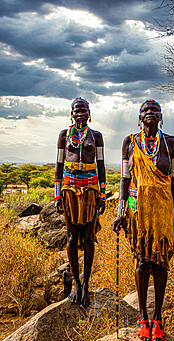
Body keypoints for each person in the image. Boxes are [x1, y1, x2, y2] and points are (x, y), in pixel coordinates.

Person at [112, 100, 174, 341]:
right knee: (142, 261)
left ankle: (158, 318)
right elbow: (124, 180)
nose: (150, 113)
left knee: (161, 263)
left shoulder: (170, 143)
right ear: (139, 116)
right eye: (146, 110)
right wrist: (120, 212)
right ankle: (142, 318)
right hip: (136, 209)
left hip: (163, 210)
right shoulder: (129, 143)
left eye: (154, 110)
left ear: (161, 116)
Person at [55, 98, 106, 308]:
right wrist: (57, 195)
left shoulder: (96, 136)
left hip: (91, 190)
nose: (80, 113)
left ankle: (86, 285)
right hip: (69, 191)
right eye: (77, 110)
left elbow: (101, 166)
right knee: (71, 236)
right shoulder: (64, 135)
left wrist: (102, 195)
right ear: (72, 113)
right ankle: (75, 283)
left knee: (88, 237)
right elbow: (58, 166)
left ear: (89, 113)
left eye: (84, 110)